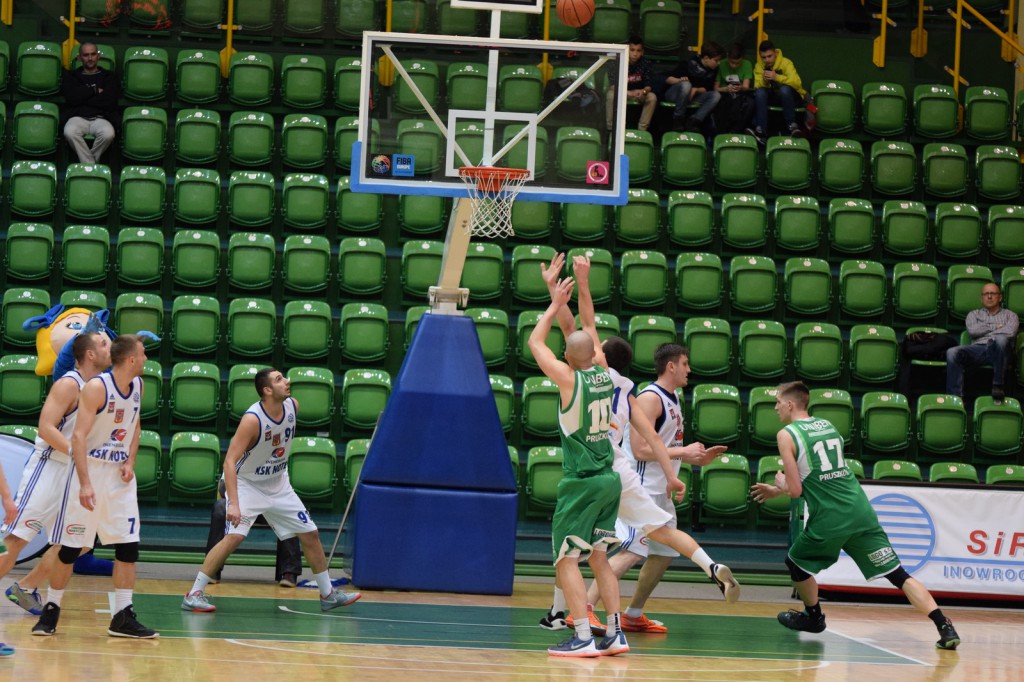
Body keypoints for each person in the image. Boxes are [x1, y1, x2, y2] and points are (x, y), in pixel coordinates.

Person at [537, 255, 740, 636]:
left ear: (598, 356)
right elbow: (648, 434)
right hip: (622, 472)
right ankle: (709, 566)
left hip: (590, 468)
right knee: (647, 535)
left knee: (570, 550)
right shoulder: (627, 388)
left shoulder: (588, 373)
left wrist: (565, 286)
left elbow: (576, 323)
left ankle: (567, 616)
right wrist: (673, 475)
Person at [751, 381, 961, 650]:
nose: (775, 407)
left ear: (790, 404)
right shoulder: (828, 426)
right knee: (898, 575)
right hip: (860, 510)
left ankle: (814, 618)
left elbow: (795, 490)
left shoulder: (787, 434)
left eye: (778, 402)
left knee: (795, 563)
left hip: (830, 516)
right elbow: (820, 472)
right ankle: (944, 625)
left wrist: (778, 486)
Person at [182, 368, 361, 613]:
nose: (287, 381)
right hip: (247, 484)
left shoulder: (293, 406)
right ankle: (194, 593)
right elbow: (229, 462)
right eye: (279, 379)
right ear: (267, 390)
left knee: (311, 534)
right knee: (234, 537)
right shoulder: (252, 420)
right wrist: (233, 503)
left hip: (278, 483)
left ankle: (327, 594)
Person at [32, 334, 157, 638]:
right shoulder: (96, 388)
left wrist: (129, 461)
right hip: (88, 472)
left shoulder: (138, 386)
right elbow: (77, 437)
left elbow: (135, 425)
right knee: (71, 549)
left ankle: (122, 615)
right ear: (130, 359)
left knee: (128, 547)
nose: (145, 359)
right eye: (142, 354)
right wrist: (85, 483)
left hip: (118, 477)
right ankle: (51, 609)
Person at [529, 276, 627, 658]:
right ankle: (615, 633)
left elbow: (536, 343)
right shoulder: (604, 372)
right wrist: (576, 288)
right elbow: (586, 328)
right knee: (600, 556)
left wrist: (554, 304)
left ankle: (583, 635)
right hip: (610, 481)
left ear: (568, 358)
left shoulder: (568, 380)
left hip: (582, 482)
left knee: (566, 559)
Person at [3, 332, 112, 617]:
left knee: (79, 542)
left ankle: (26, 588)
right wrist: (80, 455)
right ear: (89, 354)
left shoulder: (100, 388)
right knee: (15, 543)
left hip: (76, 473)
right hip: (50, 469)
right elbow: (46, 428)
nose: (109, 347)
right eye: (103, 343)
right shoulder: (69, 384)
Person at [204, 479, 304, 587]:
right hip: (241, 504)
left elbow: (283, 491)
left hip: (269, 507)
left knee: (288, 509)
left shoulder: (275, 463)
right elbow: (224, 487)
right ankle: (212, 569)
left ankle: (289, 572)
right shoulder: (235, 462)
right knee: (220, 507)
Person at [946, 282, 1018, 404]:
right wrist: (997, 327)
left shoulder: (1010, 315)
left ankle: (998, 385)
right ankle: (955, 399)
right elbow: (973, 331)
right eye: (986, 294)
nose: (989, 297)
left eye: (993, 293)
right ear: (981, 298)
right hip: (978, 350)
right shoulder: (973, 314)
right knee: (952, 352)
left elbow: (1010, 332)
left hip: (1000, 351)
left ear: (1000, 297)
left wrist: (986, 329)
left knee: (1000, 339)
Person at [62, 41, 119, 164]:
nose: (90, 58)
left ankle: (87, 163)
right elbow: (72, 98)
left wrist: (83, 95)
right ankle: (91, 164)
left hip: (101, 118)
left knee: (108, 134)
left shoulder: (109, 77)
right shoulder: (71, 77)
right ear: (79, 57)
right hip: (77, 117)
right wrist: (94, 90)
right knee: (69, 132)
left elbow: (109, 101)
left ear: (98, 56)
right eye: (86, 55)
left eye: (93, 54)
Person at [747, 40, 806, 143]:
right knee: (760, 92)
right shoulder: (759, 66)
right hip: (773, 97)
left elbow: (797, 83)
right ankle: (760, 130)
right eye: (764, 57)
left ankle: (792, 126)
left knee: (784, 89)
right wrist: (764, 81)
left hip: (791, 97)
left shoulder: (786, 63)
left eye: (769, 56)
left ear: (775, 53)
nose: (767, 60)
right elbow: (757, 86)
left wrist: (777, 77)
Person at [664, 41, 724, 133]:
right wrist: (680, 81)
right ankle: (678, 119)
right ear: (706, 58)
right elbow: (668, 79)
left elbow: (707, 88)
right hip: (675, 94)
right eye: (716, 60)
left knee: (716, 95)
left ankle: (693, 121)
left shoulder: (713, 70)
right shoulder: (689, 63)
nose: (718, 63)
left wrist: (696, 90)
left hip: (693, 96)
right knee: (686, 84)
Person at [607, 35, 657, 132]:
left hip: (639, 94)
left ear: (642, 52)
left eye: (638, 51)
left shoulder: (646, 63)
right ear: (627, 49)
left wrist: (643, 91)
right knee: (611, 95)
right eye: (632, 50)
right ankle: (611, 129)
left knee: (652, 97)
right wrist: (628, 93)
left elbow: (648, 86)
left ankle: (642, 130)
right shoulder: (617, 62)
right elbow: (613, 86)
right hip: (622, 93)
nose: (635, 54)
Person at [714, 43, 755, 134]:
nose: (734, 66)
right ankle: (721, 133)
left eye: (737, 63)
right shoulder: (721, 64)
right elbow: (715, 88)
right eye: (732, 62)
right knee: (724, 102)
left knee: (750, 103)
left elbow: (746, 87)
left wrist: (740, 87)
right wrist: (726, 89)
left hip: (740, 94)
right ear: (728, 57)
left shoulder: (747, 64)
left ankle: (735, 132)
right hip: (725, 94)